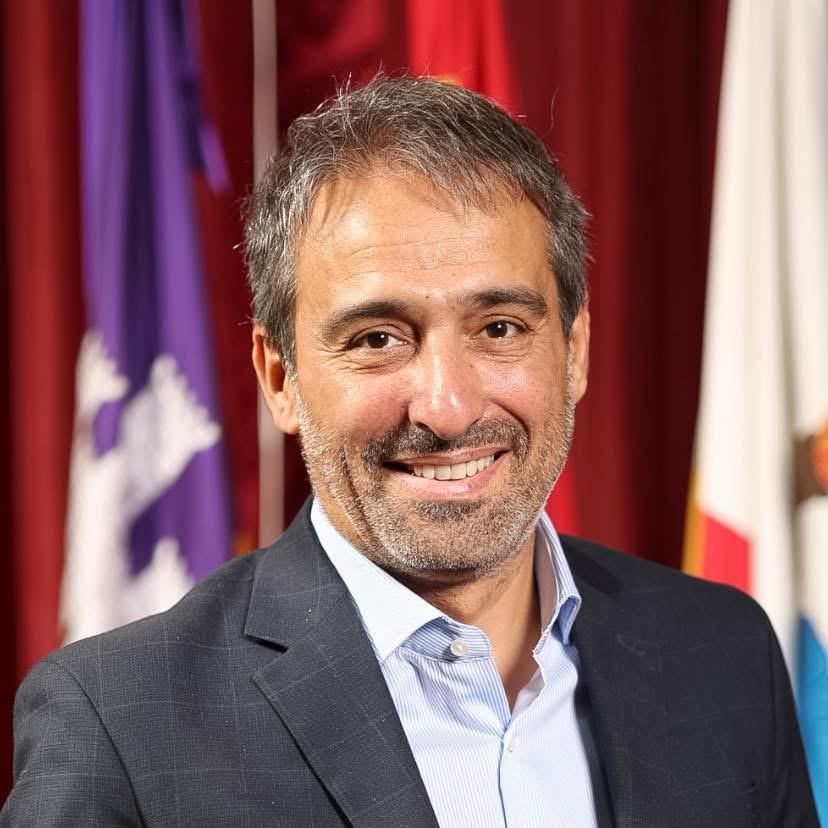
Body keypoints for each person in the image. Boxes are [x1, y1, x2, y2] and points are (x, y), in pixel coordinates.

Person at [1, 76, 817, 827]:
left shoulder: (725, 655)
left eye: (500, 328)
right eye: (378, 338)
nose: (449, 407)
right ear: (280, 378)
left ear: (573, 351)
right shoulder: (120, 733)